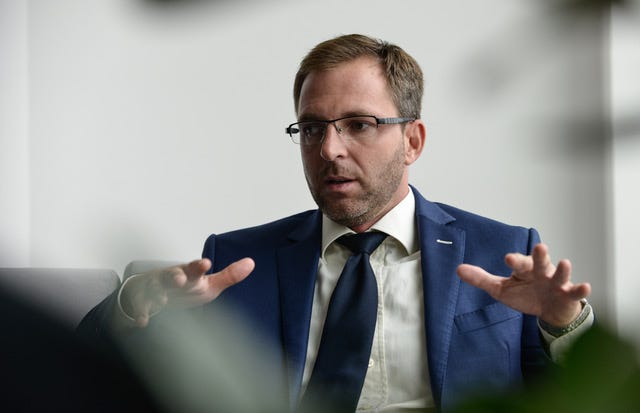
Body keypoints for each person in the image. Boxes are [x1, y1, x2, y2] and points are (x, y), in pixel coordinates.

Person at [78, 34, 593, 412]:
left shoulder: (500, 251)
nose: (329, 149)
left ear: (412, 141)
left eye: (359, 125)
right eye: (311, 128)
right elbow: (86, 372)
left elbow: (572, 397)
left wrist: (564, 325)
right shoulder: (237, 261)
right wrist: (133, 304)